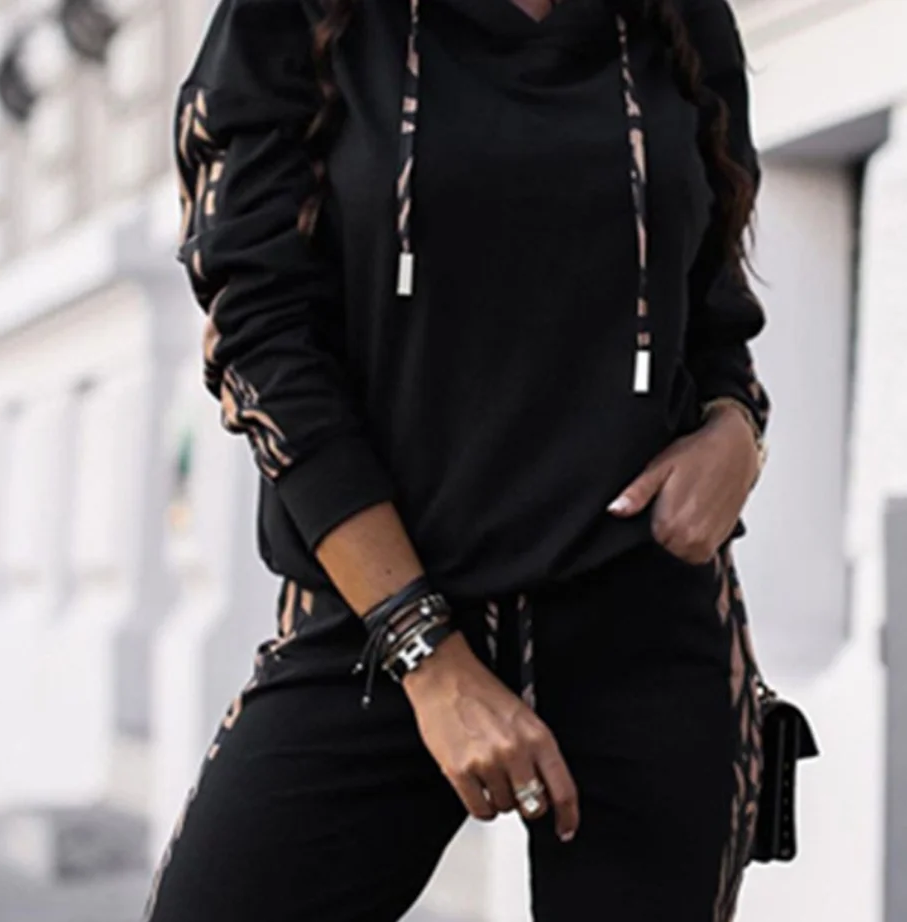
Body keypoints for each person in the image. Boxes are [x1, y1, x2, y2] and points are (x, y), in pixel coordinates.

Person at [147, 0, 770, 918]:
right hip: (377, 619)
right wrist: (426, 655)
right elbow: (257, 335)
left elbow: (714, 312)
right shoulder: (299, 17)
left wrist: (736, 431)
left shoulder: (676, 16)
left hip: (641, 621)